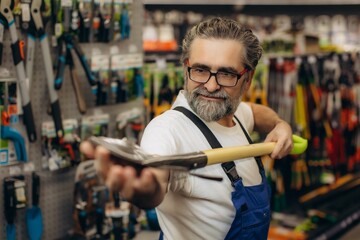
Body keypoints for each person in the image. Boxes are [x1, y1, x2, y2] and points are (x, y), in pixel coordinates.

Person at [81, 17, 293, 240]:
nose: (211, 86)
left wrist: (281, 125)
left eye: (226, 74)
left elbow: (257, 113)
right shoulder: (167, 130)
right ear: (186, 69)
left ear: (247, 79)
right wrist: (142, 189)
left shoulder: (235, 113)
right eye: (200, 70)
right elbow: (156, 182)